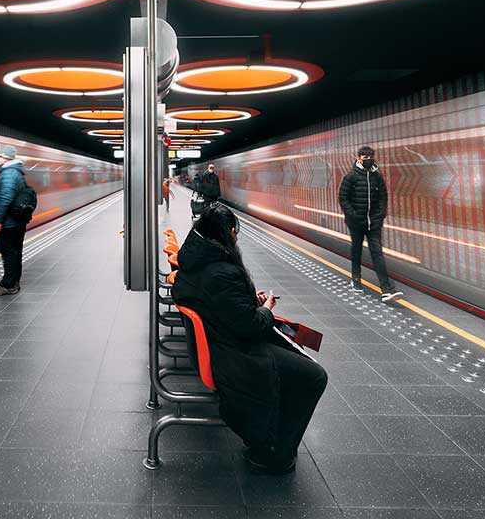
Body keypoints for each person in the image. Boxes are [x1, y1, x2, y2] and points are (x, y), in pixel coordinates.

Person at [172, 204, 328, 475]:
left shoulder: (197, 259)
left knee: (299, 368)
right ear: (229, 233)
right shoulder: (222, 271)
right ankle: (274, 453)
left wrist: (247, 303)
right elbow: (251, 327)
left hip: (220, 342)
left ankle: (271, 439)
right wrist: (266, 308)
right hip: (234, 355)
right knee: (314, 376)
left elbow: (224, 307)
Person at [338, 145, 404, 302]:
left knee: (377, 254)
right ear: (358, 158)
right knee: (357, 250)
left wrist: (379, 216)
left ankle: (386, 289)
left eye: (370, 157)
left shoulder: (377, 177)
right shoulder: (351, 177)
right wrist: (353, 215)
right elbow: (343, 198)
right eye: (364, 157)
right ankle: (356, 279)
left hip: (373, 223)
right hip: (356, 223)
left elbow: (383, 197)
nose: (368, 160)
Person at [0, 144, 29, 296]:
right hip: (16, 221)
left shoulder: (8, 173)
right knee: (15, 252)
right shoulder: (15, 172)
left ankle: (8, 285)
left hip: (9, 223)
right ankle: (13, 282)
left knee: (8, 253)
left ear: (5, 158)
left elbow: (6, 198)